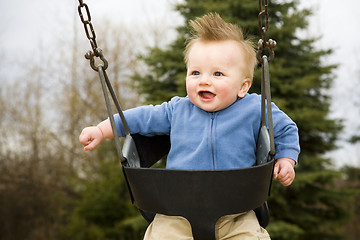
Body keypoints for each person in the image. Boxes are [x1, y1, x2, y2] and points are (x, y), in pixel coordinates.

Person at [79, 13, 300, 240]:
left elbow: (285, 128)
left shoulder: (254, 108)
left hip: (237, 211)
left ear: (243, 86)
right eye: (195, 72)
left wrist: (286, 159)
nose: (204, 80)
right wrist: (102, 129)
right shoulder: (177, 110)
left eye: (217, 74)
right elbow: (139, 119)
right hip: (176, 211)